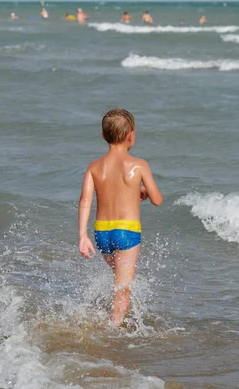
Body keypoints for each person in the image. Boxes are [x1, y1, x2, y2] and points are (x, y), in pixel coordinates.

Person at [78, 108, 163, 327]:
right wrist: (142, 189)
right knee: (123, 288)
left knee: (121, 282)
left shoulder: (94, 167)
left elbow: (85, 201)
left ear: (103, 136)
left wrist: (82, 235)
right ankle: (112, 332)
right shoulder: (139, 165)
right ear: (131, 135)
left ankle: (113, 316)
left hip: (102, 233)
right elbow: (157, 199)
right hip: (127, 232)